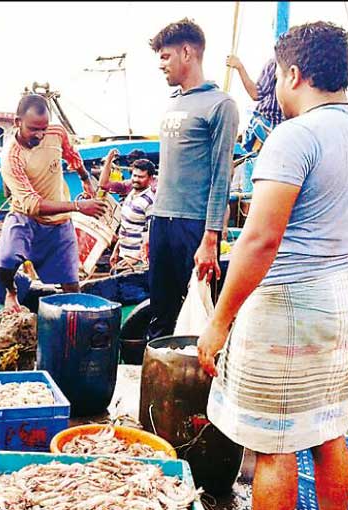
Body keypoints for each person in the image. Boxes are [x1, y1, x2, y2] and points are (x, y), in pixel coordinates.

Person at [198, 22, 348, 510]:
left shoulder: (294, 136)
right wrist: (346, 281)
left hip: (288, 303)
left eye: (279, 76)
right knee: (330, 431)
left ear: (295, 73)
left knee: (274, 445)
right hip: (343, 292)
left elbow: (260, 242)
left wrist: (219, 321)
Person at [147, 18, 239, 341]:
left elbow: (221, 175)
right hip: (161, 222)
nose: (161, 65)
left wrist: (210, 239)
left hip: (194, 226)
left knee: (201, 315)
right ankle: (157, 383)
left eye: (165, 56)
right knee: (160, 313)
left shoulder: (221, 105)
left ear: (187, 52)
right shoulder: (173, 102)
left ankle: (204, 388)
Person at [0, 93, 108, 311]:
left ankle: (73, 325)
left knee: (72, 286)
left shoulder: (56, 133)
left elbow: (71, 154)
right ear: (17, 123)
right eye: (33, 129)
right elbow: (32, 203)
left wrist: (85, 178)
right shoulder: (11, 156)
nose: (39, 134)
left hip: (58, 223)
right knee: (5, 262)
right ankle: (11, 293)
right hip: (25, 217)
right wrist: (78, 207)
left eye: (43, 128)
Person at [101, 150, 156, 275]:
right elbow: (126, 226)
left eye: (141, 177)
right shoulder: (131, 193)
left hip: (137, 262)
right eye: (134, 176)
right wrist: (116, 250)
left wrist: (134, 258)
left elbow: (152, 235)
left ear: (150, 178)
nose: (136, 180)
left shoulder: (150, 202)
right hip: (123, 257)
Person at [226, 55, 284, 153]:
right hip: (280, 132)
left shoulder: (276, 63)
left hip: (266, 127)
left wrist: (239, 67)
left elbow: (256, 94)